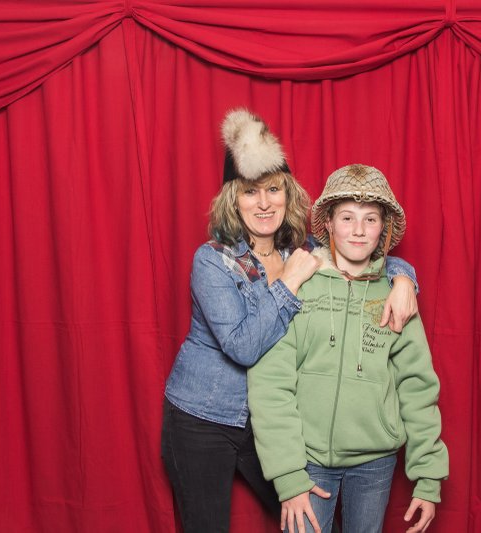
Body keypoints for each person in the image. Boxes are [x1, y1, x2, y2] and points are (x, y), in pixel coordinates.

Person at [161, 111, 421, 533]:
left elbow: (358, 252)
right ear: (233, 199)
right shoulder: (212, 260)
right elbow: (244, 347)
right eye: (251, 192)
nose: (264, 203)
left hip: (265, 418)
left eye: (273, 189)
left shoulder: (299, 250)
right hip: (203, 416)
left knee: (309, 516)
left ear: (288, 193)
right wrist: (290, 282)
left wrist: (404, 278)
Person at [248, 164, 448, 533]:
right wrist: (288, 474)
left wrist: (428, 476)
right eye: (347, 218)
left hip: (375, 462)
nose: (358, 230)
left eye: (370, 219)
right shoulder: (298, 285)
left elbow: (418, 388)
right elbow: (270, 382)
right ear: (328, 224)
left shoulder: (397, 296)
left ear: (382, 228)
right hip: (306, 458)